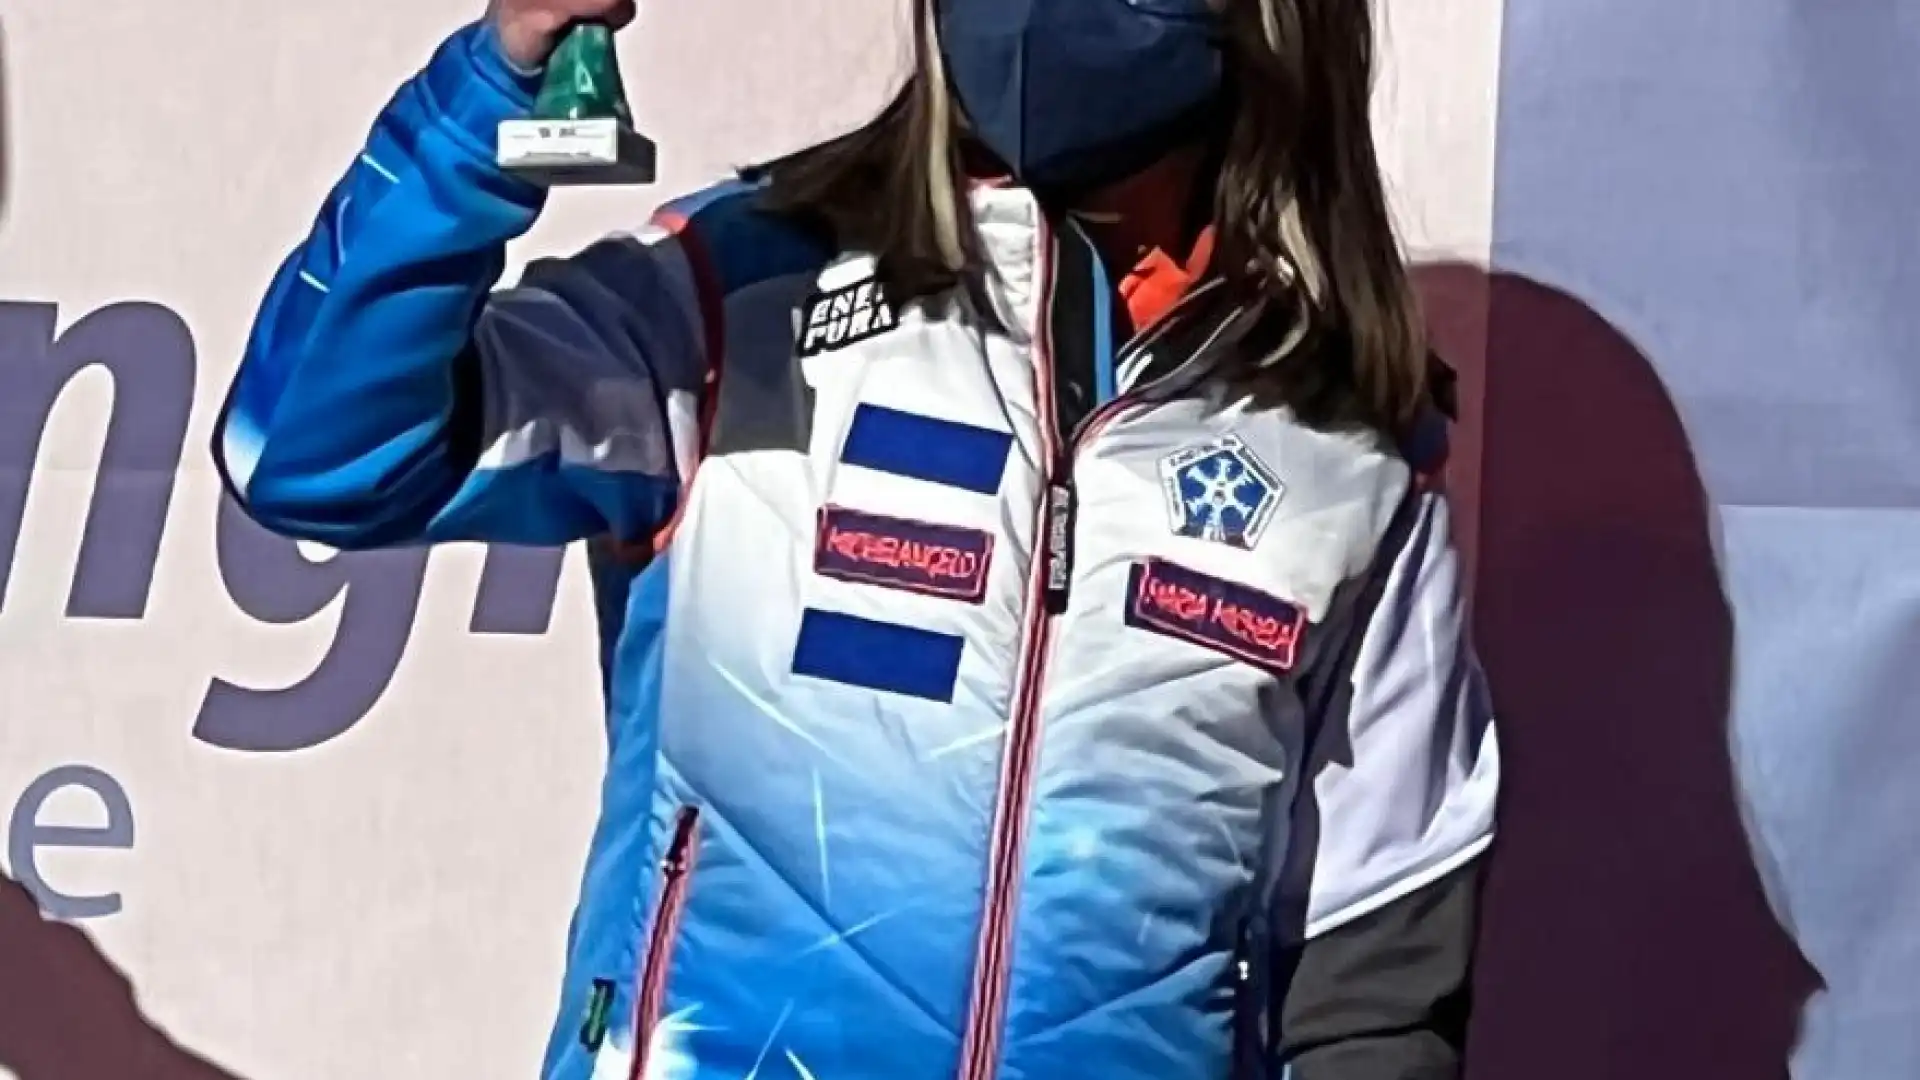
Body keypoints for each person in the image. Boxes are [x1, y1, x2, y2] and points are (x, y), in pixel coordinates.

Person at [213, 0, 1500, 1076]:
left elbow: (1375, 976)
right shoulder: (734, 295)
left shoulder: (1349, 444)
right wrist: (497, 87)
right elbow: (313, 454)